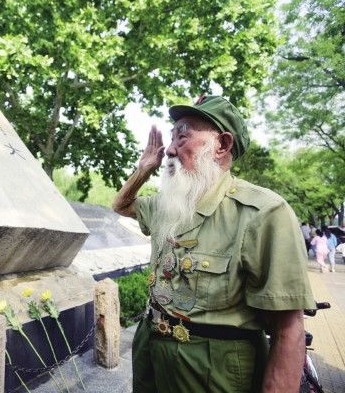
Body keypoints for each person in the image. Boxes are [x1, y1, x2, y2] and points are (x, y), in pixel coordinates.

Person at [112, 95, 315, 392]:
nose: (168, 149)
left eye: (183, 136)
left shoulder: (263, 213)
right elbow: (120, 205)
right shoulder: (168, 205)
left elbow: (289, 330)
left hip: (213, 371)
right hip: (150, 353)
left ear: (222, 145)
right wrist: (144, 169)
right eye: (171, 138)